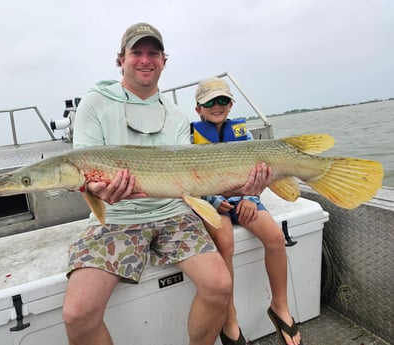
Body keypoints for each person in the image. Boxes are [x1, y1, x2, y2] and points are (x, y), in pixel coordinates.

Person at [62, 23, 272, 345]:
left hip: (173, 212)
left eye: (153, 53)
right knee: (77, 314)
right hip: (117, 218)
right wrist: (95, 189)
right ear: (121, 59)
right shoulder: (94, 103)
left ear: (164, 60)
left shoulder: (174, 115)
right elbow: (83, 170)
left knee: (219, 285)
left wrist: (240, 186)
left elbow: (188, 180)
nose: (145, 60)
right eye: (137, 52)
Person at [192, 77, 303, 345]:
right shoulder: (188, 137)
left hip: (245, 198)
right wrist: (216, 200)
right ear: (198, 109)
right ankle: (229, 320)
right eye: (209, 101)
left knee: (275, 238)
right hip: (212, 204)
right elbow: (188, 179)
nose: (216, 105)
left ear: (231, 105)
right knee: (225, 244)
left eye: (223, 100)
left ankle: (280, 308)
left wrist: (251, 198)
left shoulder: (244, 135)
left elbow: (260, 172)